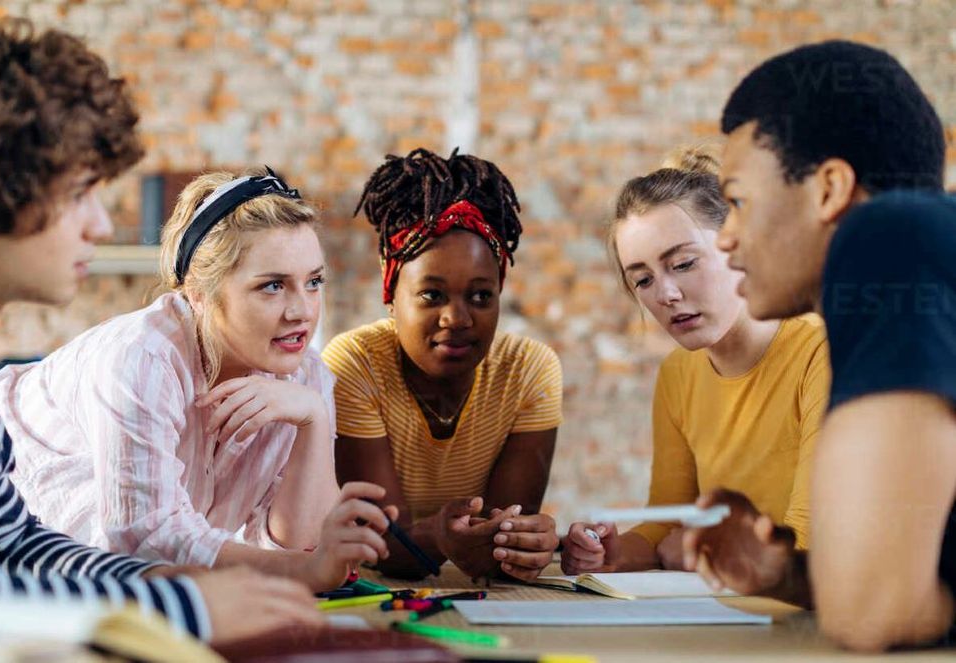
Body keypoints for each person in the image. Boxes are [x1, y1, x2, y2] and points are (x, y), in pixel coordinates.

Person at [0, 18, 324, 644]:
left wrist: (176, 587)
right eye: (80, 194)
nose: (102, 226)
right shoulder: (140, 355)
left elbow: (15, 546)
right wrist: (185, 610)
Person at [0, 168, 397, 593]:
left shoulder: (305, 375)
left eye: (313, 282)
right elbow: (144, 541)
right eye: (273, 286)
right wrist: (304, 571)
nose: (301, 311)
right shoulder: (142, 358)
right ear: (198, 294)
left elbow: (301, 546)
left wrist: (313, 418)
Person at [680, 40, 955, 651]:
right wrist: (792, 576)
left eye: (737, 202)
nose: (726, 237)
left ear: (830, 188)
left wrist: (862, 590)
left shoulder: (887, 235)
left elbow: (872, 615)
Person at [561, 146, 828, 575]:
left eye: (683, 263)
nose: (665, 294)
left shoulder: (819, 352)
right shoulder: (678, 375)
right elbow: (665, 525)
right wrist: (612, 553)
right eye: (643, 280)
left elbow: (809, 540)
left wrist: (698, 546)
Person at [322, 148, 563, 581]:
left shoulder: (528, 370)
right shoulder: (356, 365)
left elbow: (499, 550)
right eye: (432, 295)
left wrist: (529, 542)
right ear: (391, 289)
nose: (457, 319)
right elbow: (381, 547)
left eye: (480, 296)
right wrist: (438, 536)